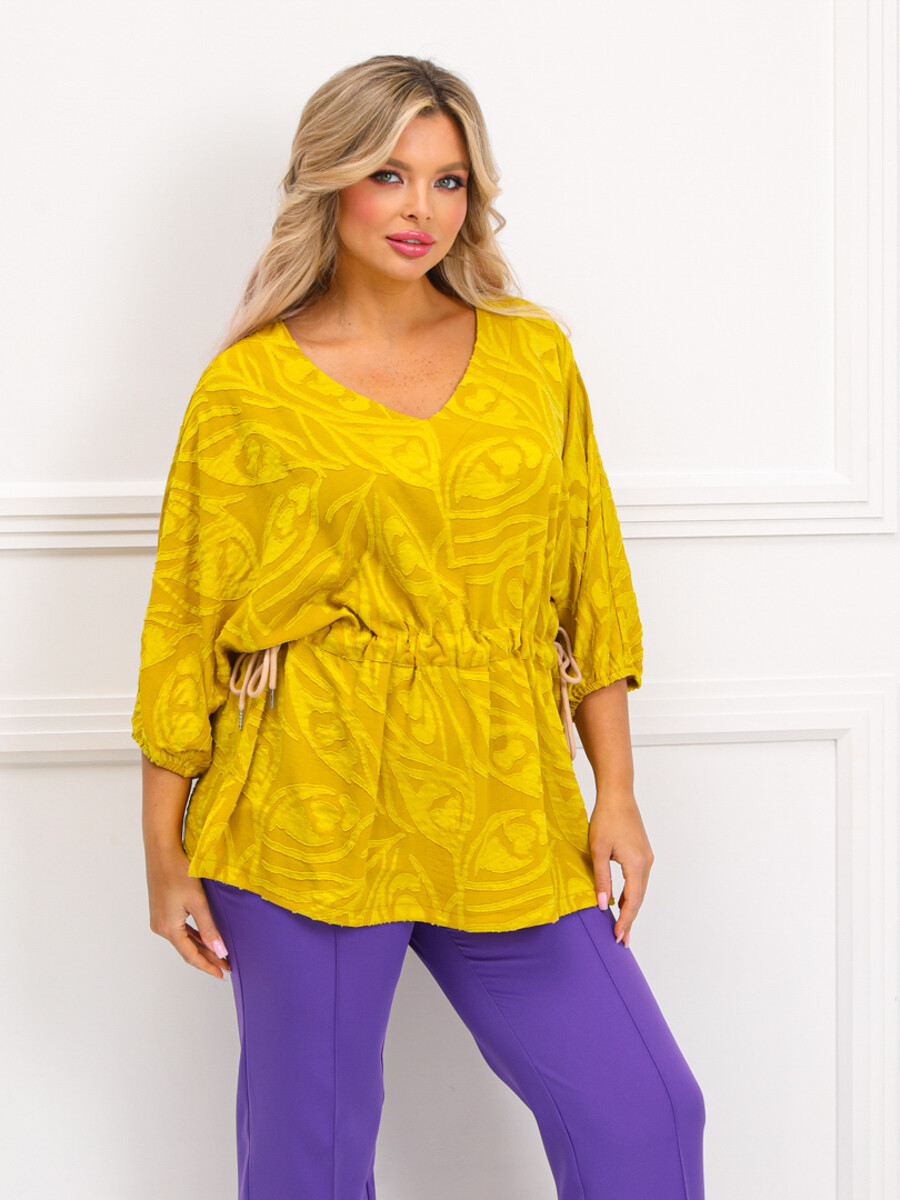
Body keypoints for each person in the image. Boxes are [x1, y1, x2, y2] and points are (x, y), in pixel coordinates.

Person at [135, 53, 706, 1200]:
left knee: (646, 1111)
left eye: (449, 181)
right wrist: (162, 851)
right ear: (330, 182)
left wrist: (619, 793)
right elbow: (188, 624)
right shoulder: (248, 389)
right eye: (389, 175)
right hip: (310, 795)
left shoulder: (533, 357)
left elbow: (588, 579)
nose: (421, 210)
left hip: (503, 793)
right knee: (311, 1158)